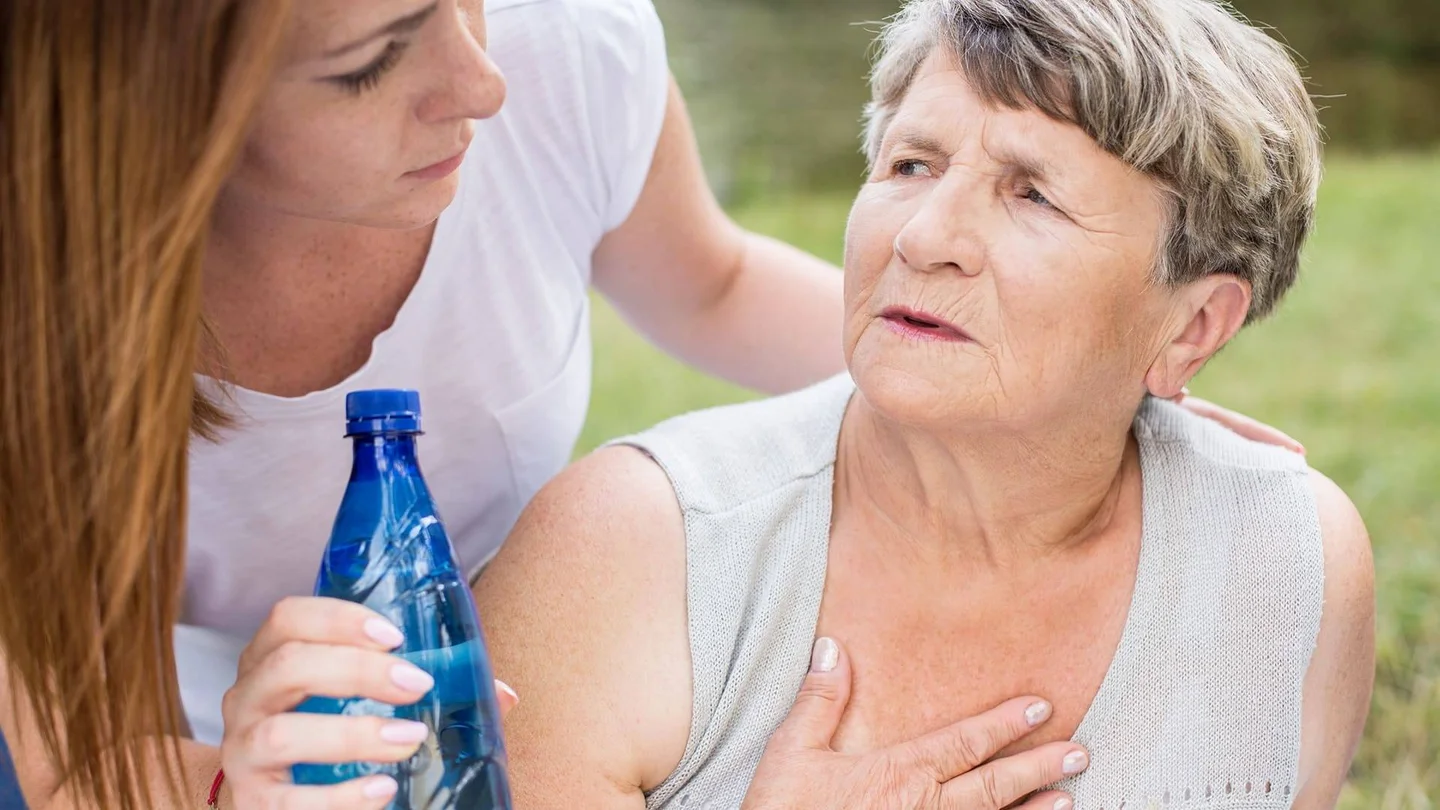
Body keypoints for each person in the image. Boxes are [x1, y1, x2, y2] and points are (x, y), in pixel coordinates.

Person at [0, 0, 1301, 807]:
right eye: (371, 59)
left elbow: (718, 281)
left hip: (493, 663)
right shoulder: (33, 287)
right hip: (150, 718)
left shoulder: (559, 52)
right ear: (175, 117)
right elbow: (79, 767)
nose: (479, 81)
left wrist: (1047, 382)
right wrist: (237, 783)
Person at [472, 0, 1377, 808]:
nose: (923, 235)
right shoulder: (625, 550)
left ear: (1192, 327)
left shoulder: (1288, 563)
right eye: (910, 164)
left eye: (1032, 194)